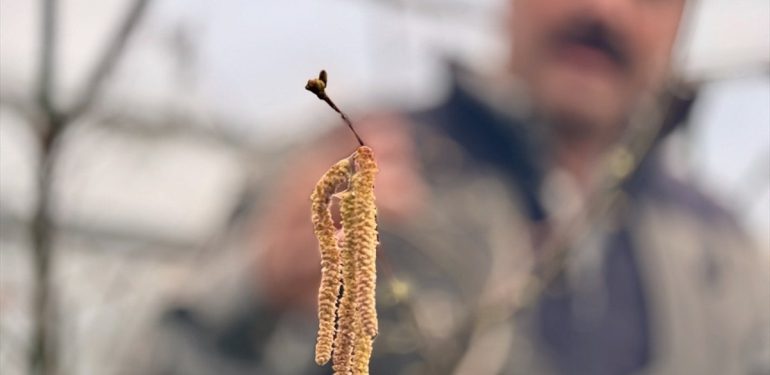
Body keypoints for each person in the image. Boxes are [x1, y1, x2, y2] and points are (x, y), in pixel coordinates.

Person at [142, 0, 770, 374]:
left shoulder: (727, 261)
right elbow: (155, 357)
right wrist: (257, 289)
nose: (603, 10)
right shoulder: (354, 171)